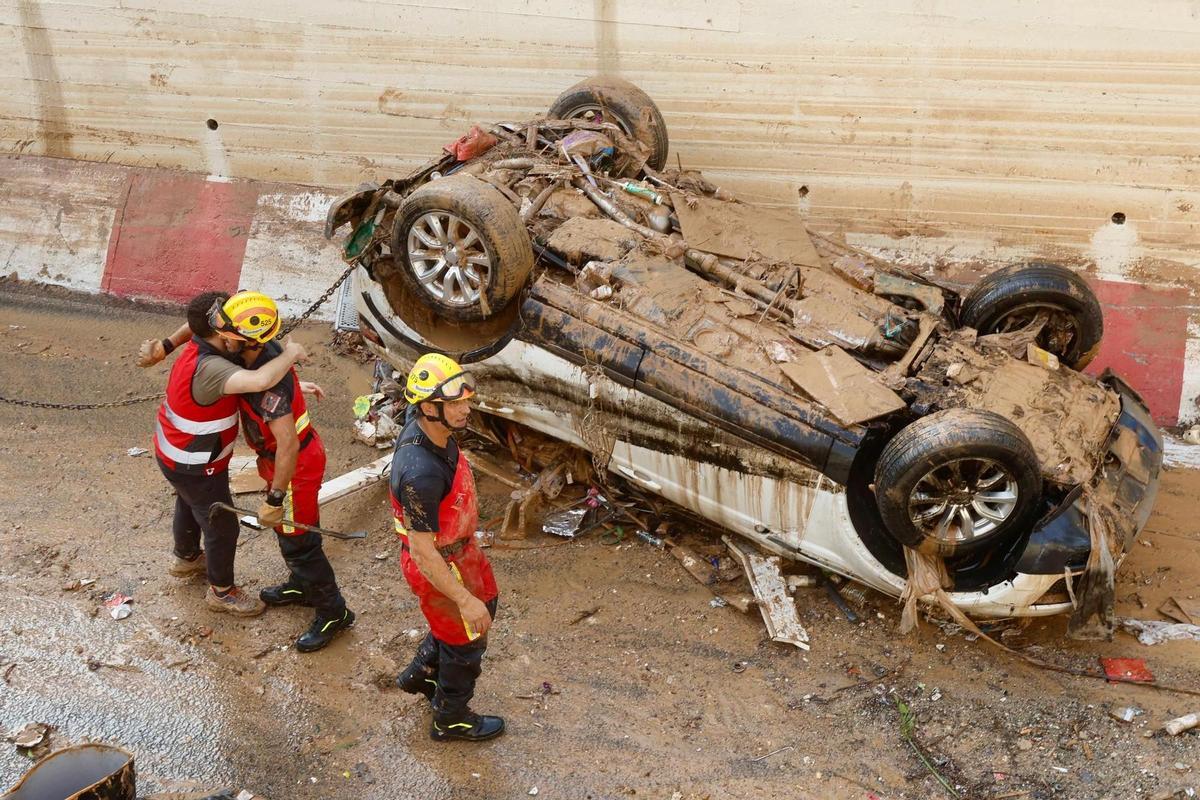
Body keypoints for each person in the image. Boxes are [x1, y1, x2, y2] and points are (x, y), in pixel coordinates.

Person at [146, 290, 307, 617]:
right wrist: (291, 354)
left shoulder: (199, 346)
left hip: (173, 453)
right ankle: (222, 592)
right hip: (196, 462)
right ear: (220, 334)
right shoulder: (213, 369)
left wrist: (165, 345)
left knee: (189, 503)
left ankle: (187, 558)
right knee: (221, 525)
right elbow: (261, 378)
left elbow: (197, 327)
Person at [211, 291, 356, 653]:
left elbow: (287, 444)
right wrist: (296, 388)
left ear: (248, 341)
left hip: (293, 466)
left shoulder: (269, 387)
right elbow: (277, 378)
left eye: (228, 334)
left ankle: (333, 610)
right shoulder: (264, 355)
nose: (222, 338)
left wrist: (276, 496)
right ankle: (302, 585)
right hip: (282, 460)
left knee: (300, 539)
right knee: (288, 529)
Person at [391, 353, 503, 742]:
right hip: (441, 560)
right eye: (454, 404)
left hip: (461, 549)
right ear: (428, 408)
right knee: (467, 637)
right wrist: (462, 599)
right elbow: (423, 553)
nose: (465, 409)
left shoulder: (424, 425)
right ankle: (451, 717)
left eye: (465, 400)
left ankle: (420, 674)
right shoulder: (421, 473)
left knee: (484, 607)